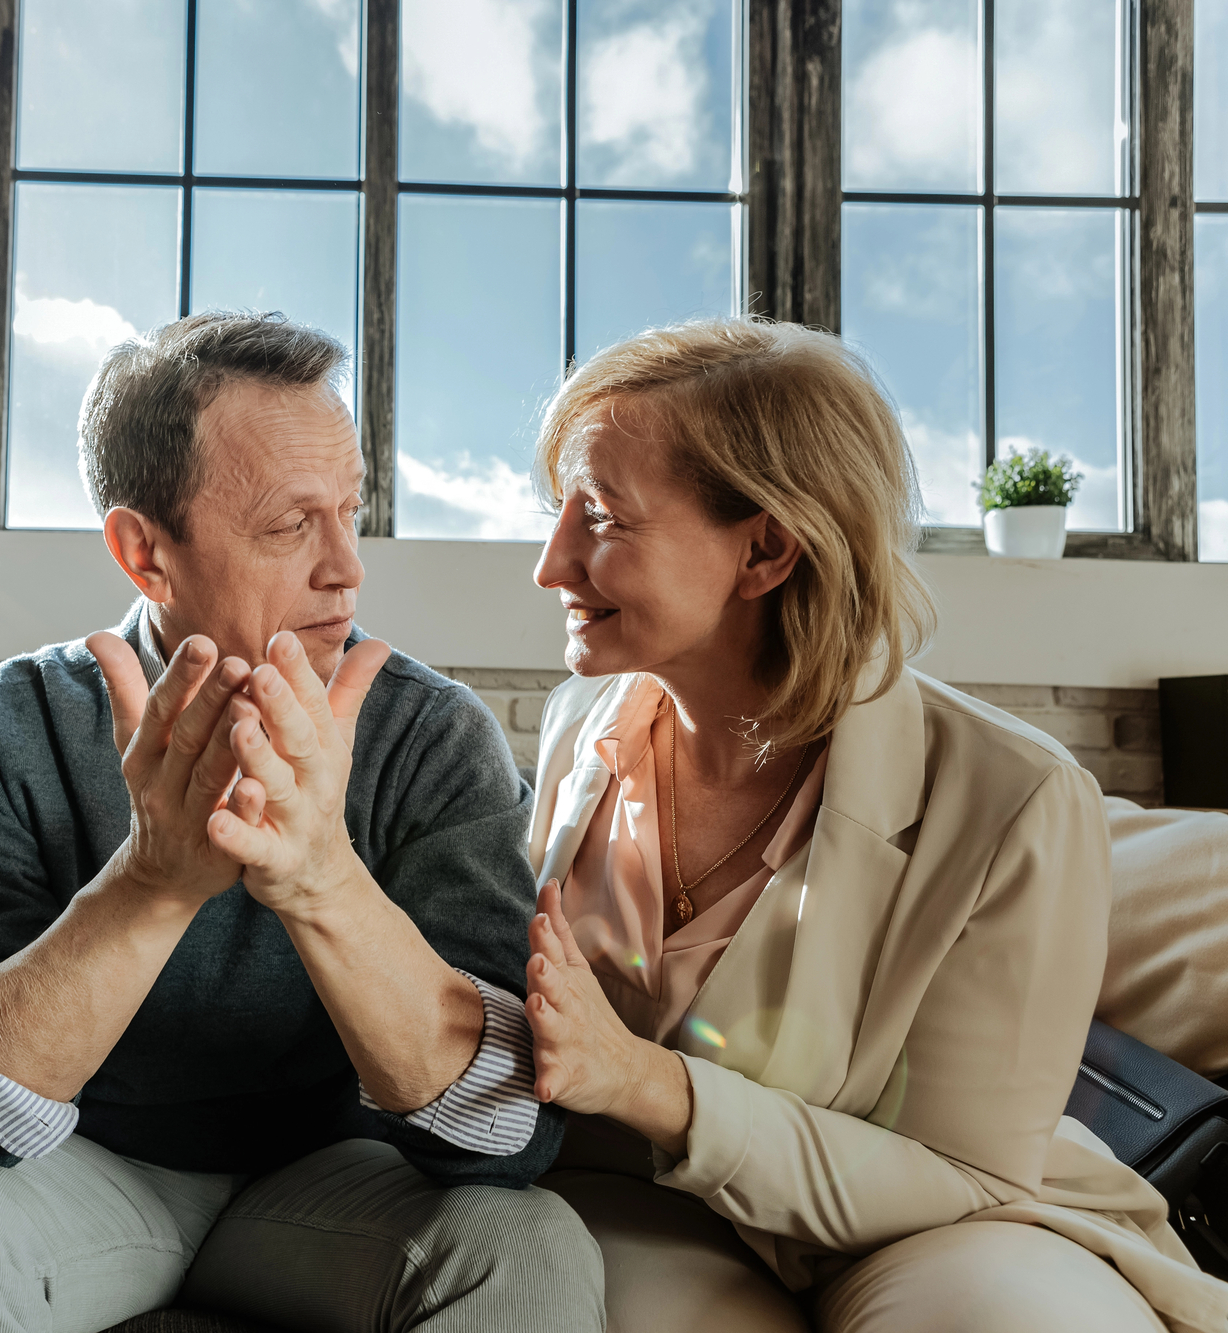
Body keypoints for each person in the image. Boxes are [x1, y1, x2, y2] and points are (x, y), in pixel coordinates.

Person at [0, 312, 600, 1332]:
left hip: (335, 1182)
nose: (345, 570)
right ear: (146, 554)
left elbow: (506, 1134)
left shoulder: (430, 733)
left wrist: (321, 876)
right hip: (78, 1176)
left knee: (530, 1242)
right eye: (287, 526)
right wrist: (153, 881)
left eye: (349, 511)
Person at [502, 317, 1228, 1333]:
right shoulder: (588, 720)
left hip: (939, 1223)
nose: (551, 565)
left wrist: (653, 1085)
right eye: (556, 513)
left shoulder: (1014, 796)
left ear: (763, 548)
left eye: (603, 519)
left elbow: (964, 1171)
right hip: (652, 1202)